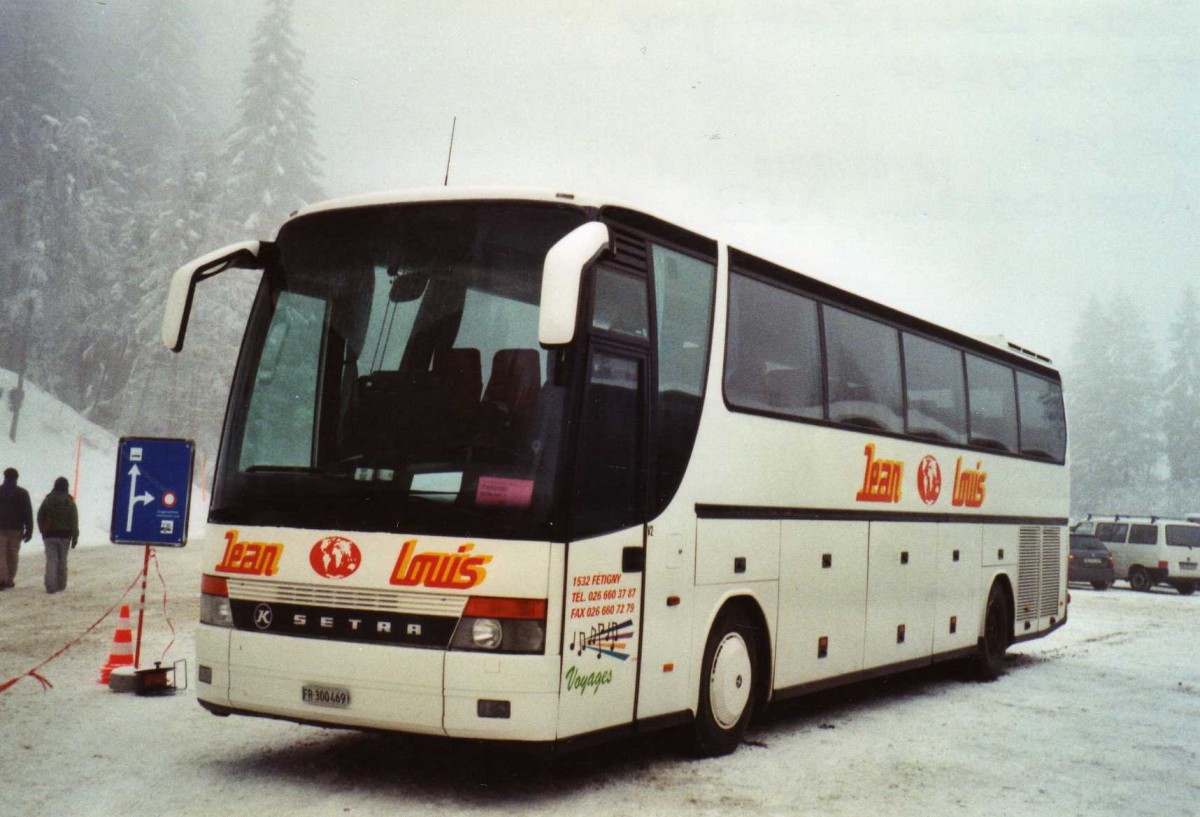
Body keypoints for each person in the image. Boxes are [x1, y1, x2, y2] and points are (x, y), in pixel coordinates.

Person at [37, 477, 79, 594]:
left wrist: (43, 530)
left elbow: (40, 516)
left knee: (51, 560)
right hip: (65, 536)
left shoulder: (48, 500)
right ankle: (61, 584)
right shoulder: (70, 502)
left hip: (50, 535)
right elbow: (74, 521)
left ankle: (50, 585)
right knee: (62, 560)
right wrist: (75, 537)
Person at [0, 467, 34, 590]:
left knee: (1, 554)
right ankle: (9, 579)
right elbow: (28, 513)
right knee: (12, 555)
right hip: (16, 530)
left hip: (1, 528)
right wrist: (29, 530)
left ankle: (2, 579)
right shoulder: (22, 493)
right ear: (16, 478)